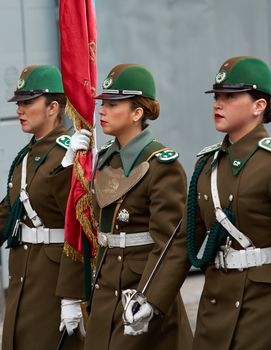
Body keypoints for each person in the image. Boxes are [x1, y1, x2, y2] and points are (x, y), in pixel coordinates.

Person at [83, 64, 193, 349]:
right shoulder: (104, 158)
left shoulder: (161, 165)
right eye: (103, 103)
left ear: (137, 113)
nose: (102, 110)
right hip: (105, 293)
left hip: (140, 295)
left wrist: (150, 299)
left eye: (113, 104)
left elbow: (171, 244)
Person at [182, 56, 271, 349]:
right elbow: (184, 241)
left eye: (230, 97)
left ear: (259, 106)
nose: (218, 104)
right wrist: (152, 299)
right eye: (217, 96)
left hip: (261, 310)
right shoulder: (207, 164)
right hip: (214, 306)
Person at [0, 64, 90, 350]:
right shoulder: (27, 155)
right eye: (19, 103)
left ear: (53, 107)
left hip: (53, 286)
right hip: (22, 282)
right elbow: (9, 212)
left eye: (27, 102)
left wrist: (71, 294)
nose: (20, 109)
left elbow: (80, 226)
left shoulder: (70, 153)